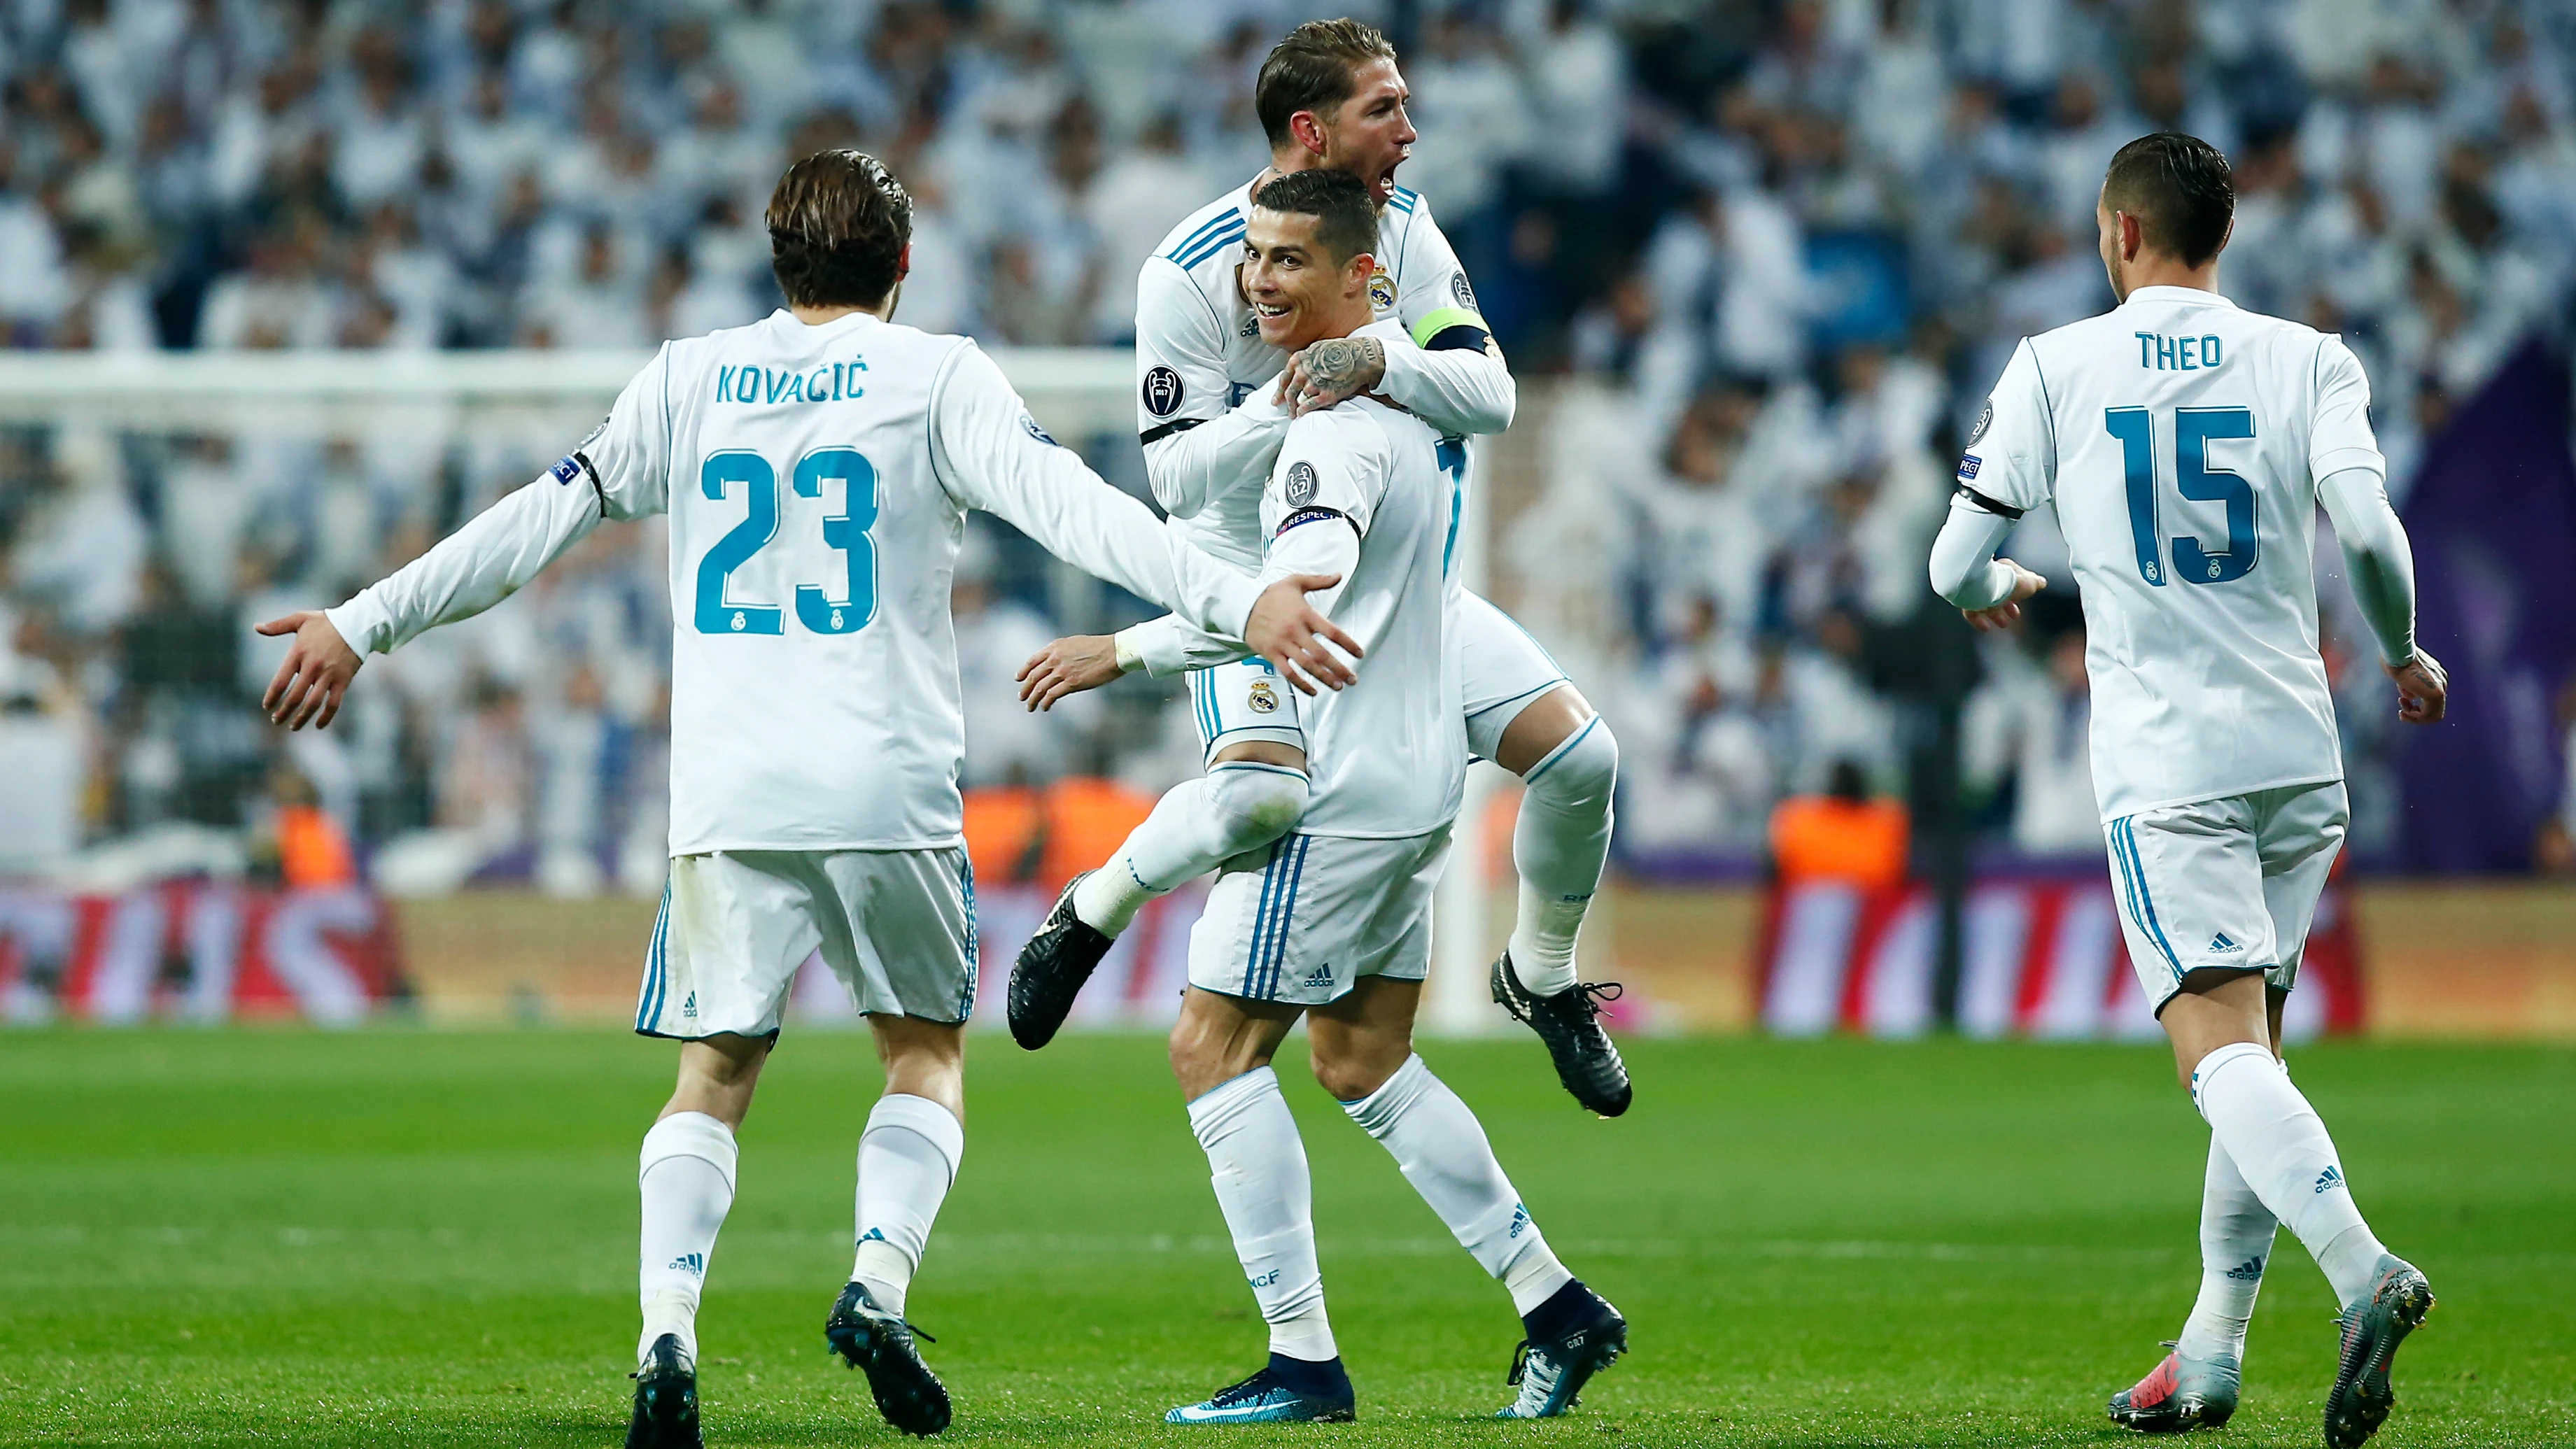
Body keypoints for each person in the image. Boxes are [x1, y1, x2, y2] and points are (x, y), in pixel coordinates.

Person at [255, 150, 1360, 1449]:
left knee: (712, 1074)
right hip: (886, 782)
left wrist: (361, 622)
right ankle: (877, 1285)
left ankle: (667, 1336)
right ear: (901, 264)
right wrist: (1244, 598)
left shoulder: (690, 377)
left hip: (731, 789)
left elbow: (531, 525)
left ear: (777, 263)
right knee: (925, 1055)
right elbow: (1089, 519)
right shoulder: (938, 374)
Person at [1007, 17, 1629, 1117]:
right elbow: (1181, 484)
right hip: (1244, 578)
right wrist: (1288, 398)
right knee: (1256, 801)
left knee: (1582, 757)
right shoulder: (1188, 275)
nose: (1411, 128)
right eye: (1383, 108)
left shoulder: (1405, 232)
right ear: (1312, 130)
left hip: (1387, 577)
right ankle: (1093, 907)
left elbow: (1491, 395)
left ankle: (1541, 974)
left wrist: (1375, 352)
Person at [1929, 133, 2447, 1449]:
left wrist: (1995, 589)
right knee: (2255, 1051)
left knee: (2214, 1057)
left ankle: (2363, 1269)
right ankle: (2208, 1352)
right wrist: (2398, 652)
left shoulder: (2055, 365)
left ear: (2117, 231)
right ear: (2222, 237)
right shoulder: (2309, 357)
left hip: (2171, 769)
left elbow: (1953, 561)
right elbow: (2374, 536)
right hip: (2297, 755)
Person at [1130, 169, 1626, 1428]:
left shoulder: (1336, 426)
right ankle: (1558, 1305)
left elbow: (1300, 581)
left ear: (1365, 278)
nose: (1258, 281)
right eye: (1255, 258)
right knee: (1362, 1059)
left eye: (1289, 260)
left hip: (1343, 792)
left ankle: (1302, 1363)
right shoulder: (1400, 396)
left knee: (1210, 1048)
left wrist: (1131, 649)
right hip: (1417, 782)